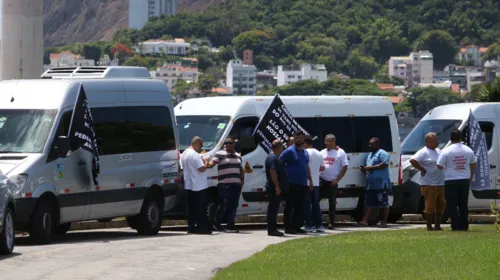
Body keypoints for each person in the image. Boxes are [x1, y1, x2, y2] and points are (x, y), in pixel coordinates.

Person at [437, 129, 476, 231]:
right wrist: (471, 175)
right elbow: (473, 163)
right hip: (464, 180)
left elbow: (439, 165)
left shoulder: (446, 150)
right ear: (460, 138)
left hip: (450, 180)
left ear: (450, 138)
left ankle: (455, 225)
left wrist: (446, 168)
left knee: (452, 204)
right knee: (463, 204)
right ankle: (464, 225)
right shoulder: (468, 150)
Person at [207, 136, 245, 233]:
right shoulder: (220, 154)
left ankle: (230, 226)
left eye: (230, 143)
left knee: (233, 206)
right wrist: (206, 160)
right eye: (226, 143)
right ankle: (216, 224)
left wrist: (242, 181)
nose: (228, 145)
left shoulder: (238, 155)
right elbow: (211, 165)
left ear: (234, 144)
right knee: (223, 205)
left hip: (236, 184)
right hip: (224, 184)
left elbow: (241, 169)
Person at [410, 132, 446, 231]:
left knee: (441, 204)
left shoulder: (439, 151)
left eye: (437, 139)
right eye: (435, 140)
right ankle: (429, 226)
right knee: (430, 205)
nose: (437, 141)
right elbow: (413, 160)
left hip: (440, 183)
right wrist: (422, 169)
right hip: (428, 183)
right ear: (428, 141)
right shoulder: (423, 151)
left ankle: (437, 226)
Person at [280, 130, 314, 234]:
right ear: (294, 138)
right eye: (297, 137)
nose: (299, 139)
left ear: (304, 139)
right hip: (291, 183)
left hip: (303, 184)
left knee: (299, 207)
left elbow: (306, 166)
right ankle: (288, 227)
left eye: (301, 137)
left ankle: (296, 226)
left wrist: (311, 181)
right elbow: (280, 162)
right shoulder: (289, 151)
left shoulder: (305, 152)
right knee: (289, 206)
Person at [180, 136, 212, 234]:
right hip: (199, 185)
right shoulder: (195, 155)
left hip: (188, 185)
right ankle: (201, 228)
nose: (201, 147)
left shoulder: (184, 153)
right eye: (201, 145)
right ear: (197, 143)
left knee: (191, 208)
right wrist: (206, 160)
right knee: (201, 208)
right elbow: (201, 169)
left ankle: (191, 227)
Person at [359, 137, 391, 227]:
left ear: (377, 144)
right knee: (369, 204)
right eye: (369, 144)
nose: (369, 146)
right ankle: (364, 221)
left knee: (384, 204)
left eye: (371, 144)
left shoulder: (383, 153)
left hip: (381, 183)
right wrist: (364, 169)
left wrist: (369, 168)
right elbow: (369, 167)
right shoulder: (370, 155)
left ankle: (384, 221)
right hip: (371, 184)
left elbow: (384, 165)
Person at [320, 134, 349, 230]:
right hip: (321, 180)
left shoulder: (340, 152)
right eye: (325, 141)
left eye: (328, 141)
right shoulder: (322, 152)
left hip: (332, 182)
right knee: (315, 201)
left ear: (334, 141)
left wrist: (337, 180)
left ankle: (331, 222)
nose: (326, 143)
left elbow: (344, 167)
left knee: (332, 203)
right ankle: (315, 221)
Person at [302, 135, 326, 233]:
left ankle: (309, 225)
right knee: (316, 205)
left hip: (307, 183)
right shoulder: (319, 153)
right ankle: (319, 225)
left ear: (305, 143)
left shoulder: (304, 152)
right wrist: (314, 170)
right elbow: (322, 168)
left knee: (307, 205)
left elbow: (304, 167)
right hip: (316, 183)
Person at [265, 140, 288, 236]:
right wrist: (277, 186)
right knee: (273, 208)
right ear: (279, 147)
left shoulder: (272, 157)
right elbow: (273, 172)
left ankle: (271, 228)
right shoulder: (273, 158)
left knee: (273, 208)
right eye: (282, 146)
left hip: (272, 187)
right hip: (273, 187)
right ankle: (272, 229)